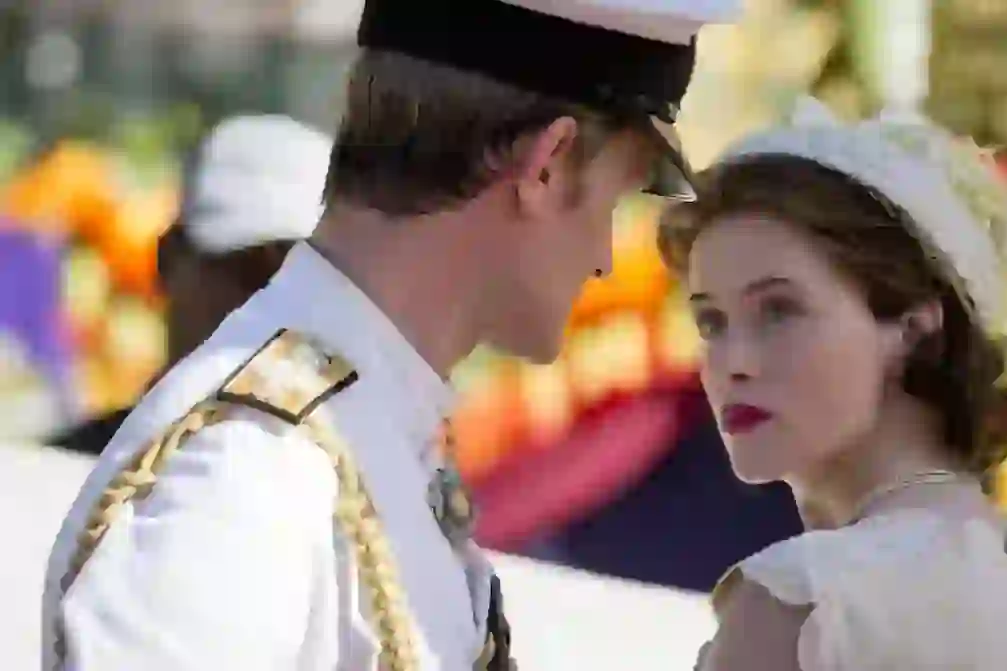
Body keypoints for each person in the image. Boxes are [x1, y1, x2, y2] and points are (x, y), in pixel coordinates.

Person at [41, 0, 740, 669]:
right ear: (548, 164)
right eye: (617, 196)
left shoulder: (356, 432)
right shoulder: (253, 470)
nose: (605, 257)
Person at [656, 97, 1007, 670]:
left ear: (913, 328)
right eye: (710, 322)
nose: (733, 361)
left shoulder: (804, 601)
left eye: (779, 310)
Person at [50, 114, 334, 456]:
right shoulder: (54, 483)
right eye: (248, 269)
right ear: (167, 260)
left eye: (305, 278)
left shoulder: (374, 494)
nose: (270, 302)